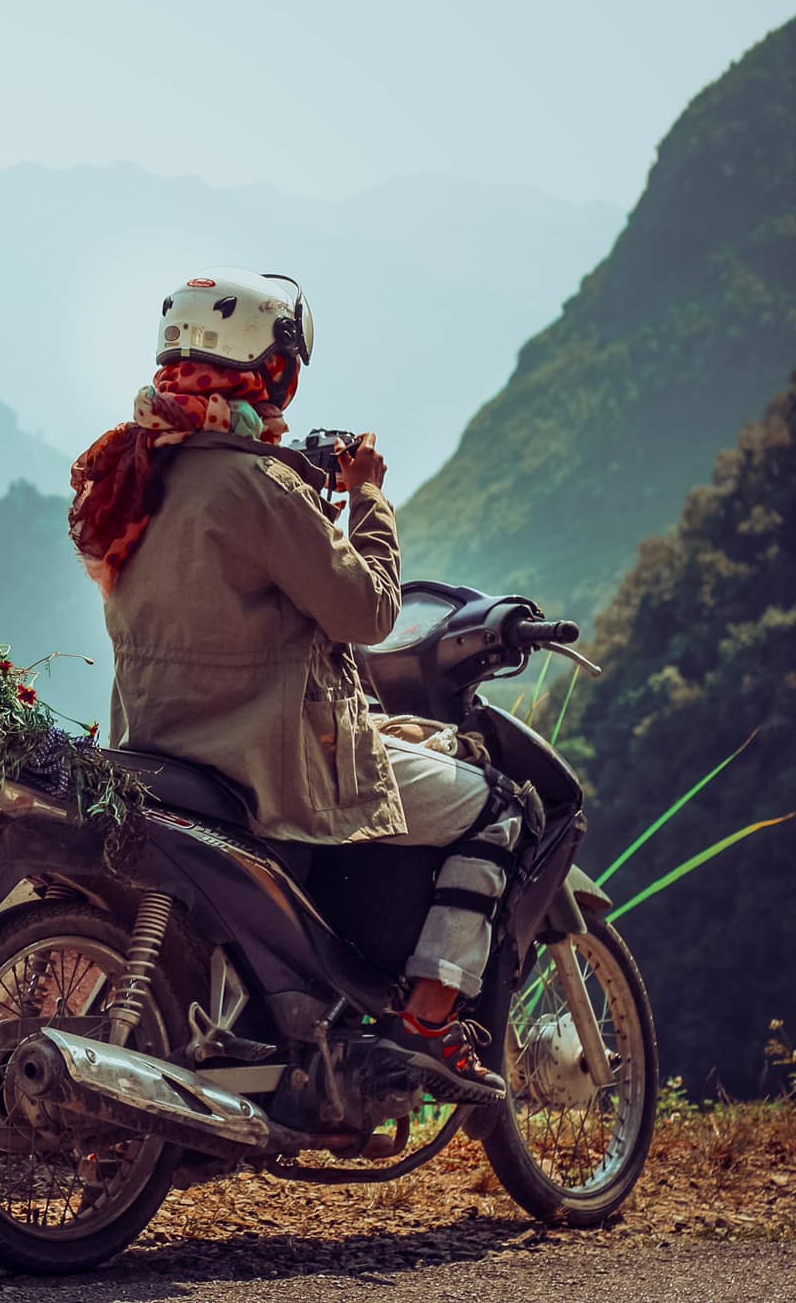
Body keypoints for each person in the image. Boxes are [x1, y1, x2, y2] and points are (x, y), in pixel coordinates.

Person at [66, 269, 520, 1103]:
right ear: (271, 373)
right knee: (497, 808)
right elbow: (369, 611)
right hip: (266, 760)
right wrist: (368, 499)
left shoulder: (133, 477)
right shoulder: (256, 484)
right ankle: (427, 1016)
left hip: (161, 745)